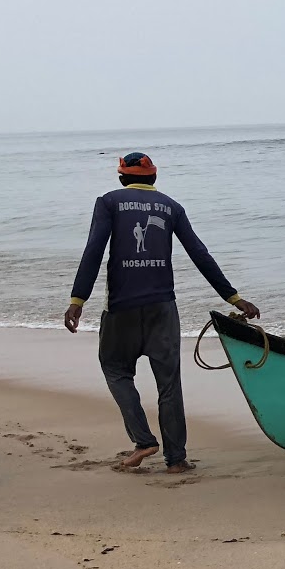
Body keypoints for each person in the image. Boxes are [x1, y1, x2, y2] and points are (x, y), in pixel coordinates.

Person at [64, 152, 261, 473]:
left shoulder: (109, 202)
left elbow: (94, 250)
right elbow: (200, 253)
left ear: (121, 177)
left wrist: (78, 299)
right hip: (163, 309)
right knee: (169, 384)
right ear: (154, 178)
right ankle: (177, 460)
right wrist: (234, 298)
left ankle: (143, 440)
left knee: (115, 369)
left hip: (120, 310)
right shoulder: (172, 207)